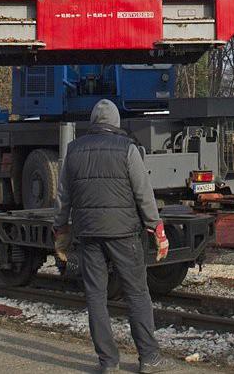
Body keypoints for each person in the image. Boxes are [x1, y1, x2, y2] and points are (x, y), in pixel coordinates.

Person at [53, 99, 172, 374]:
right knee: (137, 293)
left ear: (94, 123)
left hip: (88, 234)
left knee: (95, 296)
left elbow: (63, 197)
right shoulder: (128, 149)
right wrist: (157, 229)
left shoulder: (74, 150)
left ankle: (108, 361)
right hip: (124, 234)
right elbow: (144, 193)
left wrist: (60, 229)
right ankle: (149, 358)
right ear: (116, 123)